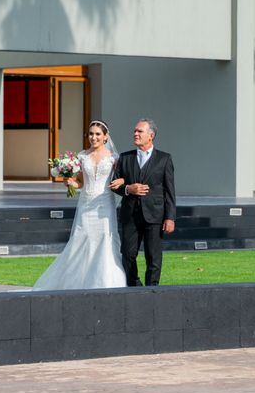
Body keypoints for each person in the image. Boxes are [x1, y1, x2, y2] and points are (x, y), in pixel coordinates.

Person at [33, 120, 127, 290]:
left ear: (105, 137)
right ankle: (77, 282)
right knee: (82, 238)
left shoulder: (114, 158)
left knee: (105, 238)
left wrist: (122, 180)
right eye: (91, 134)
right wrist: (69, 183)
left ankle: (107, 282)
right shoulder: (82, 156)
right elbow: (80, 183)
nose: (93, 137)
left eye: (98, 134)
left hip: (104, 204)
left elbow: (122, 178)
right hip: (86, 203)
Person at [112, 119, 176, 286]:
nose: (135, 134)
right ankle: (134, 285)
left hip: (154, 215)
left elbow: (169, 192)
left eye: (140, 131)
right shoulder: (125, 158)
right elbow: (114, 185)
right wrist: (128, 189)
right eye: (135, 131)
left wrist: (170, 218)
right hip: (130, 215)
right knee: (127, 253)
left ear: (151, 135)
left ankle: (152, 288)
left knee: (153, 256)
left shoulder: (164, 159)